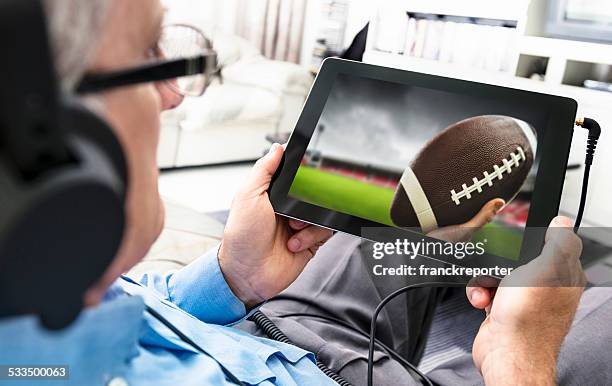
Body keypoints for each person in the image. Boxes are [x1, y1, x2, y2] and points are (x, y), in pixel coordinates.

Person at [1, 0, 609, 385]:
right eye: (150, 55)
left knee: (383, 225)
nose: (175, 95)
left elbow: (134, 312)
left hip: (272, 316)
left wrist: (232, 276)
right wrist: (521, 363)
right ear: (46, 134)